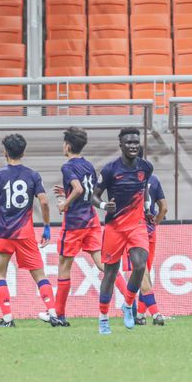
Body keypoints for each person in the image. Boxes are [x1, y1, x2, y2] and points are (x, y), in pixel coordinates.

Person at [0, 134, 64, 328]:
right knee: (40, 276)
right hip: (26, 234)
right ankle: (52, 313)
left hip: (3, 234)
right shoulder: (33, 175)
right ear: (23, 152)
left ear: (5, 152)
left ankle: (7, 318)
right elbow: (43, 201)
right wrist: (48, 227)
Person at [50, 127, 131, 326]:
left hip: (74, 223)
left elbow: (78, 189)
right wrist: (67, 191)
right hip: (91, 220)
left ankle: (59, 315)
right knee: (104, 265)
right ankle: (130, 302)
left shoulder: (67, 166)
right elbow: (89, 190)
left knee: (64, 267)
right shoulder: (88, 166)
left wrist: (64, 203)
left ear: (67, 145)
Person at [91, 127, 154, 335]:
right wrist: (103, 206)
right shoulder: (110, 170)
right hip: (115, 228)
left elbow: (143, 191)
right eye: (129, 143)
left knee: (139, 265)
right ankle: (103, 318)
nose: (133, 146)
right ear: (121, 145)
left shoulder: (146, 167)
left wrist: (147, 209)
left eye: (136, 142)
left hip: (137, 226)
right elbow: (94, 195)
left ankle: (128, 304)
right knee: (109, 274)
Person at [126, 171, 167, 326]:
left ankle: (155, 314)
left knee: (142, 274)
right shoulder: (154, 179)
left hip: (134, 230)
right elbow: (164, 207)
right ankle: (141, 315)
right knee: (145, 274)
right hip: (150, 232)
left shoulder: (127, 178)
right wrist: (155, 223)